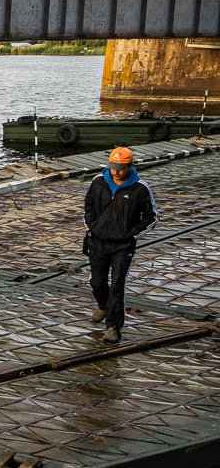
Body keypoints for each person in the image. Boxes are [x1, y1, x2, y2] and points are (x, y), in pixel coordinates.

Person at [83, 146, 159, 343]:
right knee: (97, 282)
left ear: (130, 166)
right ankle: (103, 304)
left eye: (120, 167)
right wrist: (92, 225)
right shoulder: (98, 182)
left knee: (117, 285)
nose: (115, 171)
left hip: (122, 246)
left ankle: (113, 327)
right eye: (113, 166)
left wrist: (131, 233)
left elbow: (152, 217)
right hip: (97, 242)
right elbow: (88, 205)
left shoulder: (141, 188)